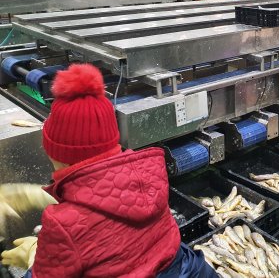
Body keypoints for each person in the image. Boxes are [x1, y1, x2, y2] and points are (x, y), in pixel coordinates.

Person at [0, 64, 216, 277]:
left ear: (56, 155)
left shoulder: (61, 225)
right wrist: (34, 194)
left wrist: (33, 258)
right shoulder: (151, 178)